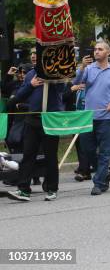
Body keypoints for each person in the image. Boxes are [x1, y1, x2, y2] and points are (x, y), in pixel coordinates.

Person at [72, 42, 110, 196]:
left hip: (107, 118)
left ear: (108, 52)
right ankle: (105, 174)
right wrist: (81, 67)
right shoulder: (89, 69)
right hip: (89, 117)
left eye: (100, 49)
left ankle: (98, 183)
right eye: (95, 49)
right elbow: (74, 82)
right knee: (87, 149)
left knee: (104, 152)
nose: (96, 52)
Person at [7, 67, 66, 202]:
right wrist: (31, 85)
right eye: (33, 54)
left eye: (37, 54)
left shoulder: (55, 73)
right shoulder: (30, 74)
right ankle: (23, 189)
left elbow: (62, 89)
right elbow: (21, 94)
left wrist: (54, 79)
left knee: (50, 156)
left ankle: (52, 189)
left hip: (49, 119)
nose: (34, 57)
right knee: (28, 154)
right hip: (32, 119)